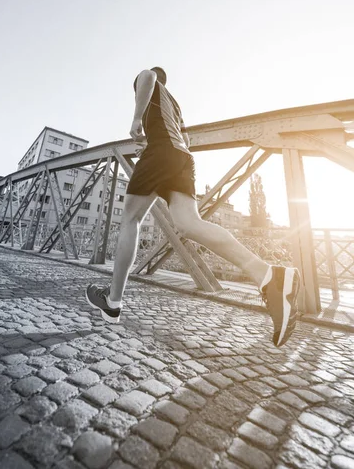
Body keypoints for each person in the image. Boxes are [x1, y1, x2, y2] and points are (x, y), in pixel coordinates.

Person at [86, 67, 301, 347]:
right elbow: (184, 141)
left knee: (131, 219)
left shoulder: (147, 80)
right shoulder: (174, 106)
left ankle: (112, 301)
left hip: (162, 152)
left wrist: (137, 119)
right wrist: (155, 147)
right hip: (183, 158)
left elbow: (147, 77)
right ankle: (269, 275)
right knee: (189, 223)